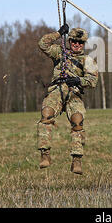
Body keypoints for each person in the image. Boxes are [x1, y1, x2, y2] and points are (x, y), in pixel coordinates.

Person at [37, 25, 98, 174]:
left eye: (80, 43)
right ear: (69, 41)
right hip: (57, 91)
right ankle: (45, 154)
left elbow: (92, 81)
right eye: (73, 41)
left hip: (74, 93)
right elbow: (43, 44)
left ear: (84, 44)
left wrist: (79, 81)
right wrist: (58, 34)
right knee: (46, 113)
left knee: (77, 120)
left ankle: (76, 159)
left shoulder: (87, 60)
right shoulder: (59, 53)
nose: (76, 45)